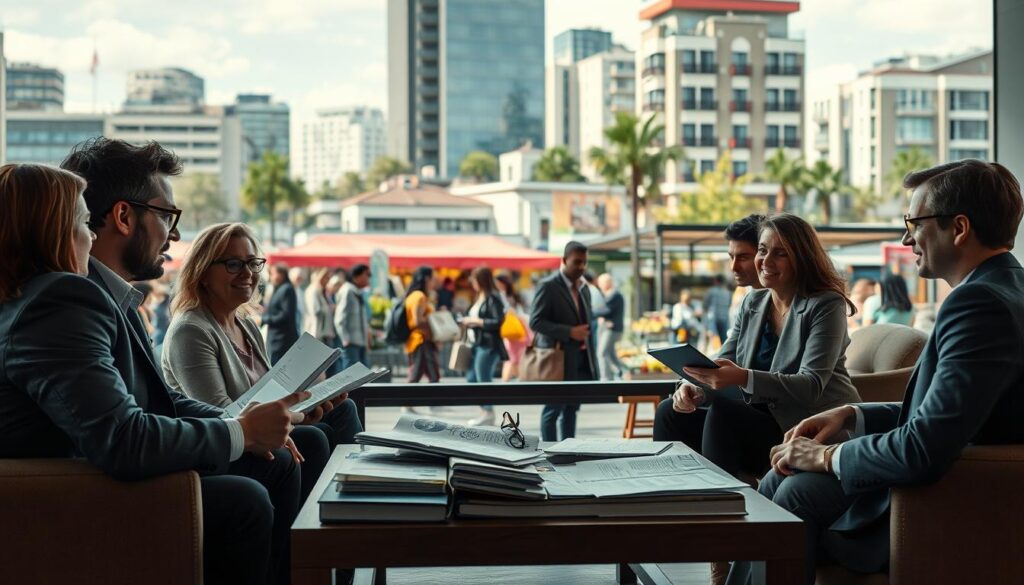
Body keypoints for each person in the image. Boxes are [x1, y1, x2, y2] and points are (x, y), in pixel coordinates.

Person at [9, 147, 300, 585]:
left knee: (280, 462)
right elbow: (123, 438)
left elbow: (152, 404)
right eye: (83, 224)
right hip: (66, 495)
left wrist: (240, 426)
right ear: (54, 233)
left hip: (69, 481)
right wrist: (239, 431)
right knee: (246, 499)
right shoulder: (61, 301)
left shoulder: (61, 299)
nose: (90, 238)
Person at [730, 160, 1024, 585]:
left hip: (937, 503)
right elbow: (950, 412)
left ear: (958, 228)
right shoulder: (1002, 289)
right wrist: (851, 414)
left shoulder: (979, 305)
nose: (907, 238)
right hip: (958, 484)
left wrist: (827, 456)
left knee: (794, 490)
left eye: (913, 222)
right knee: (781, 478)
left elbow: (925, 446)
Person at [160, 222, 361, 464]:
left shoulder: (246, 324)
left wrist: (300, 410)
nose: (248, 273)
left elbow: (268, 394)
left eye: (253, 263)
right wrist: (288, 418)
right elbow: (222, 415)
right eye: (233, 264)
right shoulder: (190, 330)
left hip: (259, 427)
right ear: (202, 273)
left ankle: (357, 489)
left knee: (343, 408)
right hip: (230, 446)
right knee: (314, 438)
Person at [654, 216, 766, 453]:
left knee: (724, 411)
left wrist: (740, 378)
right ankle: (674, 487)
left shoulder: (808, 305)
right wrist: (692, 385)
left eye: (743, 257)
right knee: (668, 410)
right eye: (731, 257)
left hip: (774, 412)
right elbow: (725, 354)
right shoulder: (750, 302)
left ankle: (717, 490)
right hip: (748, 406)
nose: (733, 267)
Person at [530, 241, 598, 441]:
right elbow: (536, 321)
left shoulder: (584, 288)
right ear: (564, 260)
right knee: (553, 410)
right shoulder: (548, 286)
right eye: (577, 262)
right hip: (557, 359)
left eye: (584, 263)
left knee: (572, 409)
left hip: (581, 358)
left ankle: (569, 452)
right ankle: (549, 453)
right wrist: (569, 332)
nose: (581, 267)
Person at [462, 266, 510, 427]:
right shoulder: (481, 297)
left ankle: (488, 413)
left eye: (474, 280)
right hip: (477, 343)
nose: (472, 283)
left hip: (488, 345)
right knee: (472, 378)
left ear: (480, 280)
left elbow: (497, 322)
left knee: (483, 379)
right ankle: (485, 412)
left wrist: (474, 321)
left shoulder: (493, 297)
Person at [404, 265, 441, 384]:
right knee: (428, 376)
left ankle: (408, 401)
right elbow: (417, 321)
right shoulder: (419, 296)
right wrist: (434, 323)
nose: (434, 282)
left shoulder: (414, 295)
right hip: (421, 341)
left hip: (418, 341)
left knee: (425, 375)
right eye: (433, 278)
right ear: (426, 279)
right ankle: (407, 401)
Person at [496, 273, 531, 382]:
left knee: (514, 359)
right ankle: (517, 381)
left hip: (516, 330)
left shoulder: (505, 296)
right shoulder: (504, 296)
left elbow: (517, 312)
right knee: (513, 358)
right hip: (514, 331)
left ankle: (510, 382)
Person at [336, 263, 372, 369]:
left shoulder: (357, 292)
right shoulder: (347, 291)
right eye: (367, 274)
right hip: (351, 343)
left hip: (360, 342)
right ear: (356, 276)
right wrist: (345, 339)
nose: (369, 277)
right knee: (351, 379)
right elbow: (339, 319)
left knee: (362, 378)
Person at [266, 264, 300, 364]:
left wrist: (264, 319)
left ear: (281, 274)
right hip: (277, 339)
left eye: (272, 274)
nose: (271, 277)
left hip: (282, 341)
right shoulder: (279, 288)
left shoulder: (286, 289)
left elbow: (285, 315)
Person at [594, 273, 626, 381]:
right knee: (611, 354)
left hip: (612, 329)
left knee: (602, 353)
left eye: (601, 283)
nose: (599, 285)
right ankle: (622, 372)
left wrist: (591, 313)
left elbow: (606, 311)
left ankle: (606, 378)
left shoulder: (614, 295)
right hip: (610, 328)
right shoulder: (609, 295)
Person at [702, 275, 733, 345]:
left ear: (715, 281)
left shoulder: (711, 291)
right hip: (724, 318)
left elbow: (705, 306)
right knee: (724, 341)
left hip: (712, 319)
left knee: (711, 340)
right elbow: (729, 305)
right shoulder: (727, 293)